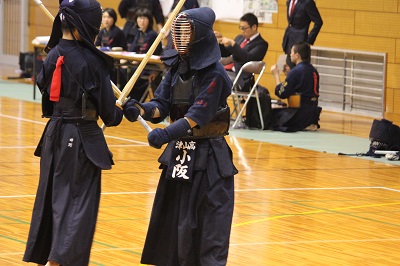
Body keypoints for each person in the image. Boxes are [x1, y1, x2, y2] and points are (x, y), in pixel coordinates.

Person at [122, 7, 238, 265]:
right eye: (179, 33)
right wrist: (140, 109)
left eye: (187, 33)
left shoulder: (215, 74)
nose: (181, 39)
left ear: (200, 35)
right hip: (181, 157)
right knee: (176, 224)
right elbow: (160, 105)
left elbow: (197, 115)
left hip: (209, 159)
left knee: (207, 228)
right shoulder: (176, 68)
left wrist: (165, 134)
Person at [23, 0, 123, 265]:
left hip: (54, 134)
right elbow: (109, 116)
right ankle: (59, 261)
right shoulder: (92, 61)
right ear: (87, 24)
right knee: (77, 204)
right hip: (80, 140)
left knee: (54, 198)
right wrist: (124, 109)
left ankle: (51, 257)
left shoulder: (52, 54)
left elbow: (47, 102)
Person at [270, 41, 322, 132]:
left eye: (292, 52)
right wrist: (289, 75)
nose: (290, 54)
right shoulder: (313, 70)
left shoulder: (296, 71)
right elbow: (302, 87)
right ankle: (308, 123)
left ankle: (302, 124)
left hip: (299, 113)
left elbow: (281, 93)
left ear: (297, 55)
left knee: (270, 115)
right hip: (313, 114)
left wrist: (276, 75)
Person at [126, 7, 163, 101]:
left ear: (149, 20)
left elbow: (145, 51)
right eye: (139, 18)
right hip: (139, 65)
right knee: (121, 72)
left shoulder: (152, 34)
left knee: (129, 75)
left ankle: (132, 101)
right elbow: (132, 49)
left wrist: (134, 60)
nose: (141, 21)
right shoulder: (139, 33)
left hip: (150, 67)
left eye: (144, 18)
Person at [282, 0, 323, 69]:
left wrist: (309, 41)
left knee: (300, 73)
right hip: (289, 43)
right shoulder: (289, 2)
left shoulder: (307, 2)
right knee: (290, 74)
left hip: (301, 44)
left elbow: (318, 22)